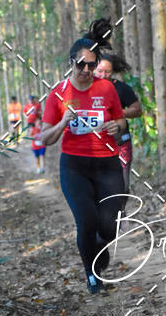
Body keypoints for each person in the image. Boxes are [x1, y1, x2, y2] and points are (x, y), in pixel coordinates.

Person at [40, 20, 127, 295]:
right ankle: (92, 274)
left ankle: (100, 246)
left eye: (92, 65)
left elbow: (121, 121)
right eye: (81, 65)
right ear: (71, 63)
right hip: (75, 165)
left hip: (107, 163)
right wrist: (63, 121)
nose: (87, 70)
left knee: (110, 225)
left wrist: (117, 127)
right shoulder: (58, 93)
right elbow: (45, 137)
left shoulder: (106, 89)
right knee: (87, 221)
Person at [94, 53, 142, 193]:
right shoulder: (87, 88)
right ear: (94, 69)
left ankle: (121, 210)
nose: (103, 75)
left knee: (123, 178)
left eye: (107, 72)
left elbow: (137, 110)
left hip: (120, 140)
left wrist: (118, 113)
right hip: (95, 143)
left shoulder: (121, 88)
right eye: (100, 71)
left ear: (113, 71)